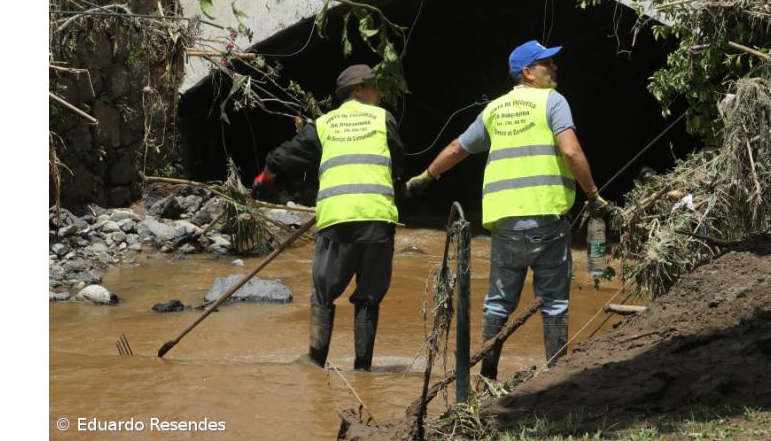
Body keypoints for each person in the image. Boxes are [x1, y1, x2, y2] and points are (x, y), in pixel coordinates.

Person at [405, 40, 610, 379]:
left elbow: (458, 148)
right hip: (547, 220)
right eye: (547, 63)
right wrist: (593, 194)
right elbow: (571, 152)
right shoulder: (553, 101)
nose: (554, 68)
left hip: (505, 225)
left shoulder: (494, 109)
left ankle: (486, 378)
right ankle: (557, 377)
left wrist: (427, 176)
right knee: (554, 303)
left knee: (498, 302)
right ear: (527, 72)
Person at [252, 64, 404, 370]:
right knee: (368, 298)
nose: (379, 93)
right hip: (377, 220)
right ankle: (363, 371)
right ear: (358, 90)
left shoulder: (324, 124)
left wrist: (262, 179)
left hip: (337, 222)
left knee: (323, 294)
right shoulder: (383, 119)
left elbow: (283, 158)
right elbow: (397, 165)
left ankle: (315, 364)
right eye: (374, 86)